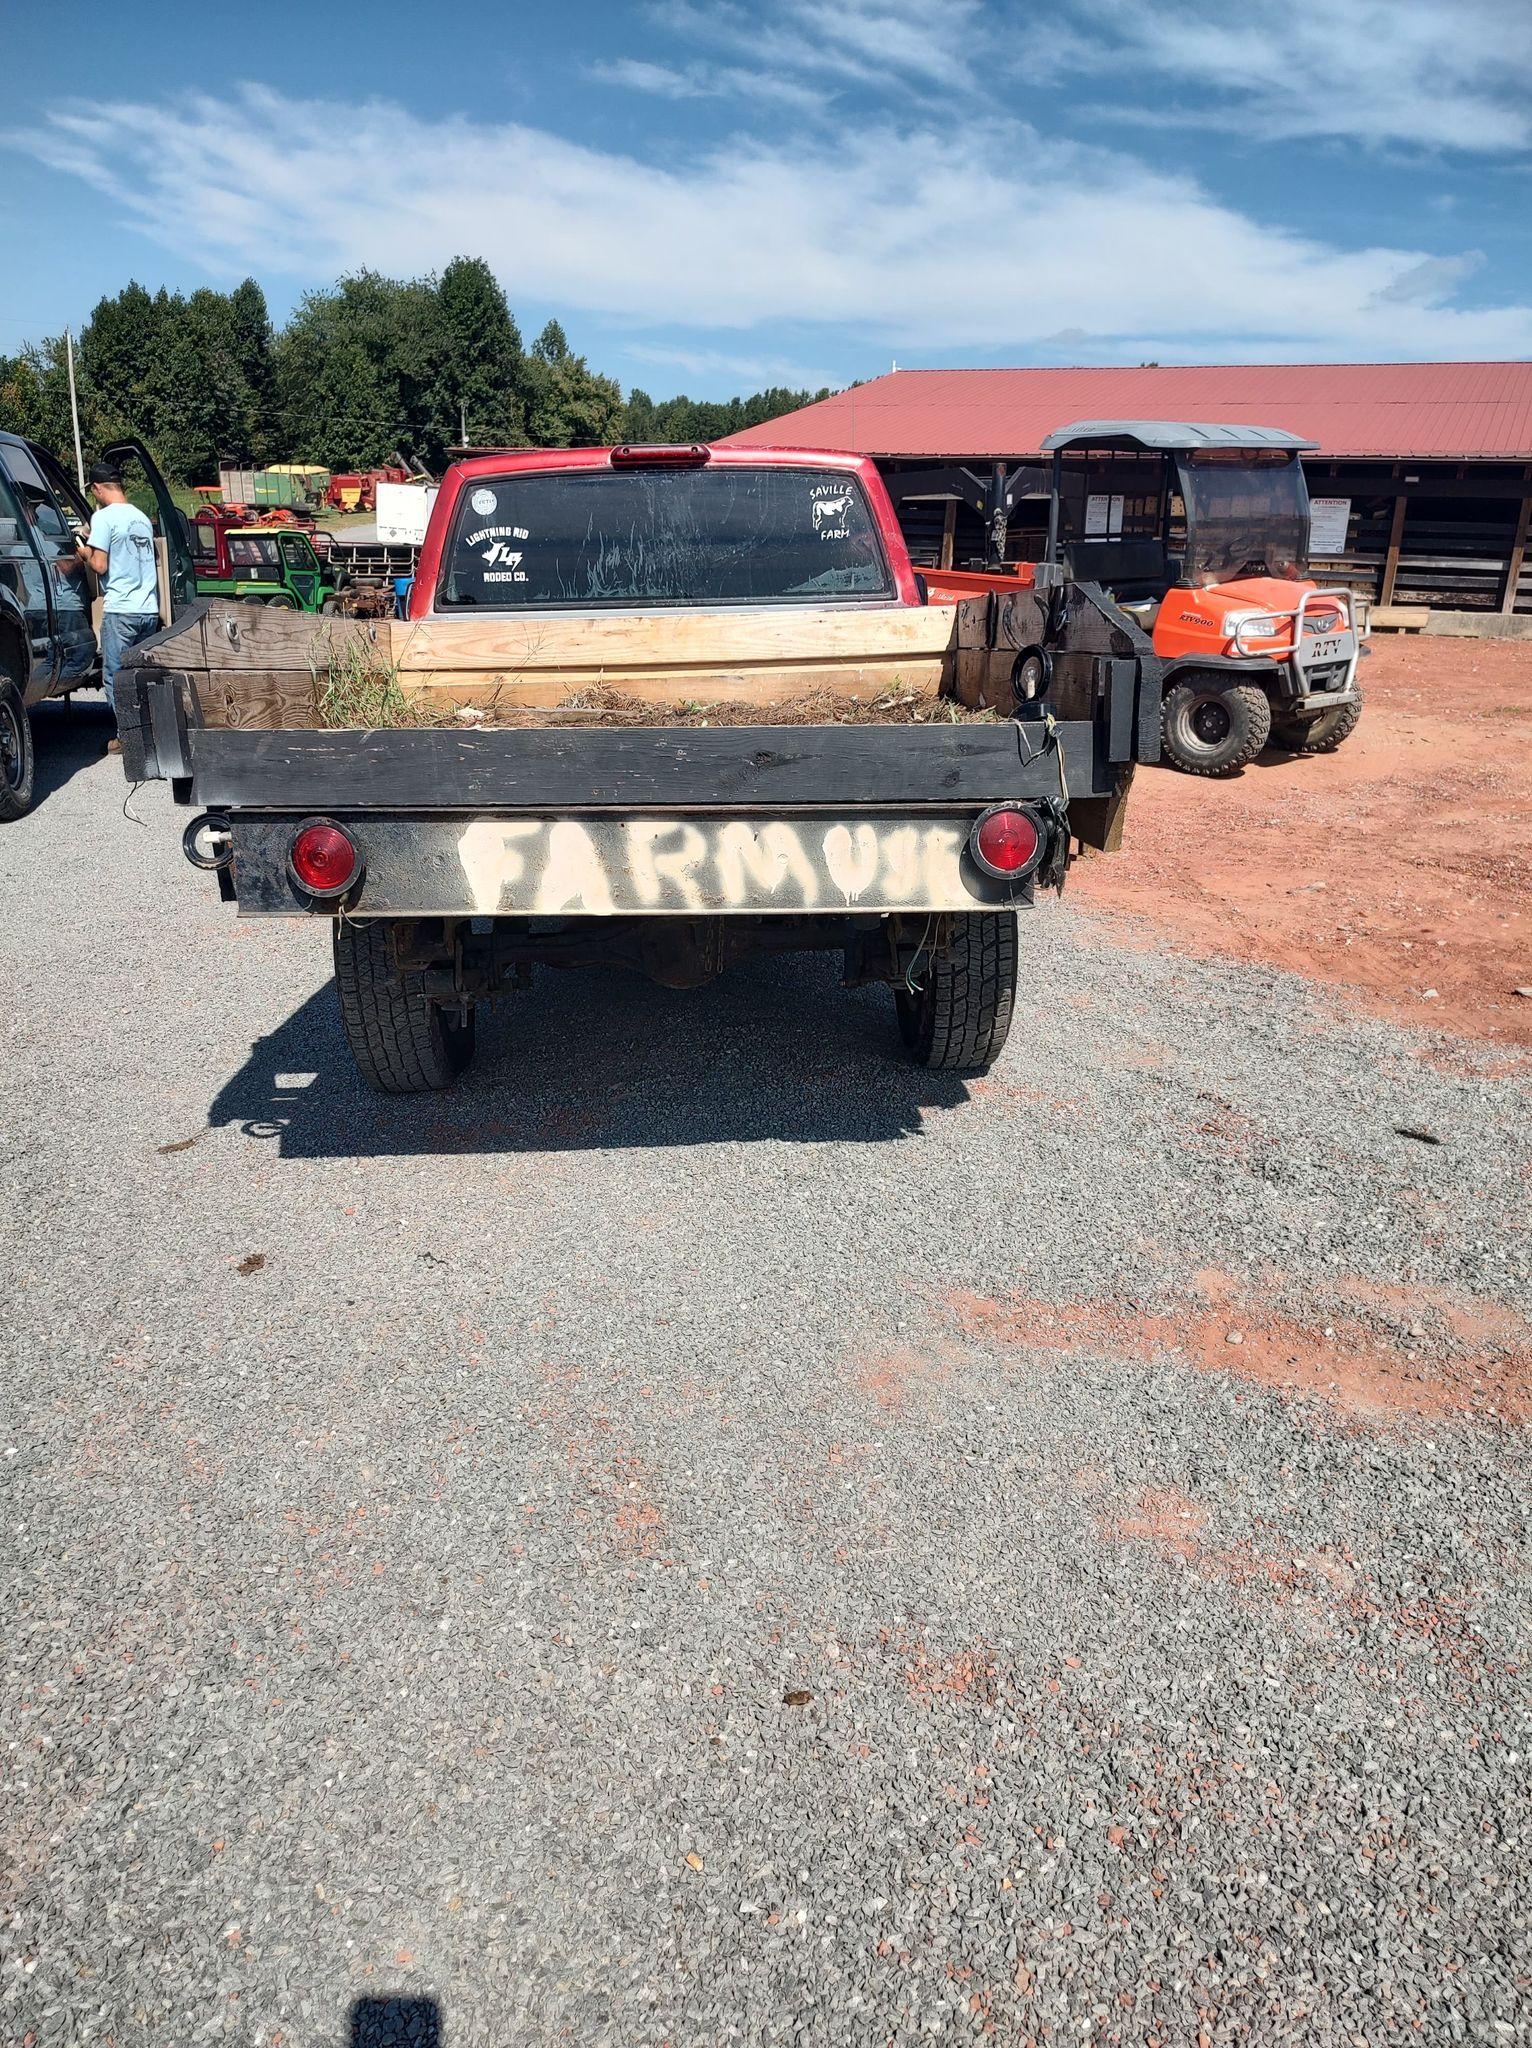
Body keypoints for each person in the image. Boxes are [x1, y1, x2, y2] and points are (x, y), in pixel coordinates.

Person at [74, 461, 160, 727]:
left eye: (92, 491)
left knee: (115, 676)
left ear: (98, 488)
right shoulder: (141, 518)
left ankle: (127, 735)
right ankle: (149, 730)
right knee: (141, 674)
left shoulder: (103, 517)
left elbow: (100, 565)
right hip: (149, 610)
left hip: (121, 610)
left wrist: (83, 550)